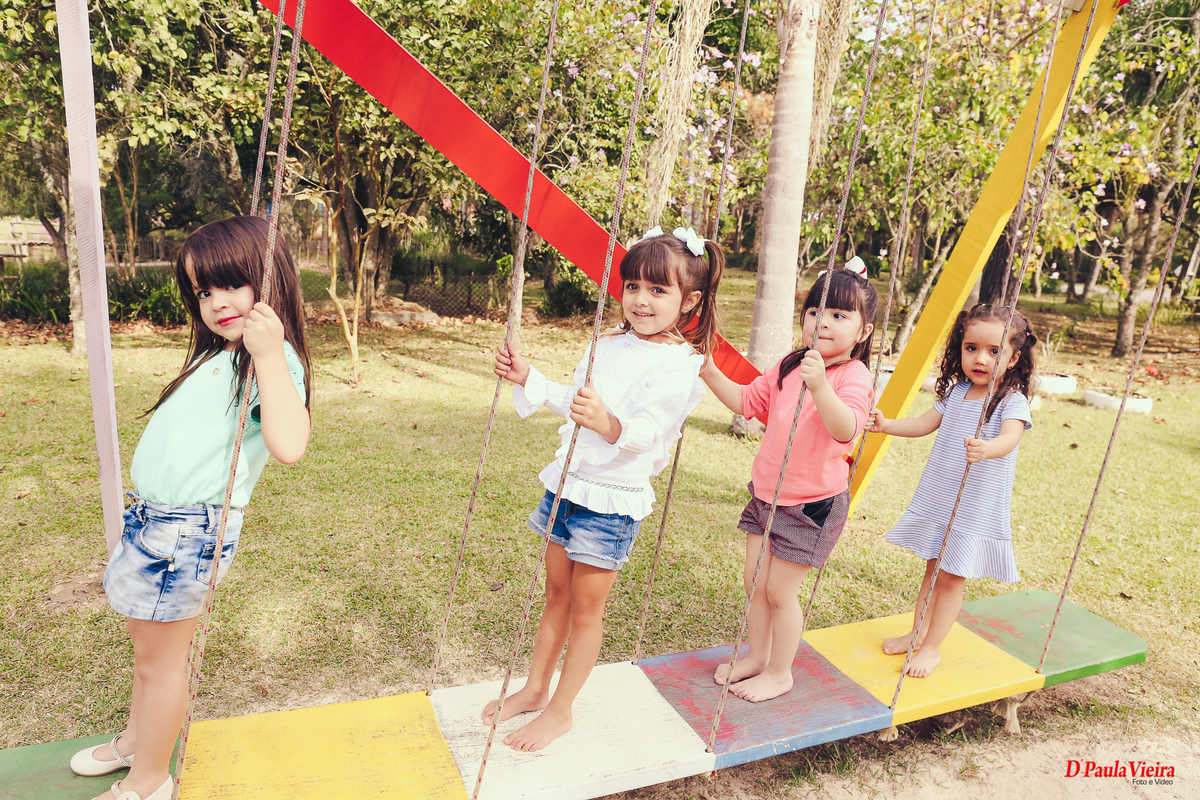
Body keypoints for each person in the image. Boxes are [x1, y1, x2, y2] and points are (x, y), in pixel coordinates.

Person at [70, 216, 312, 800]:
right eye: (204, 291)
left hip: (187, 532)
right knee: (147, 654)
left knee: (162, 664)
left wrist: (271, 353)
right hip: (154, 523)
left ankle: (150, 779)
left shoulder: (267, 362)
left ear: (269, 281)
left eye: (230, 284)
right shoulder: (220, 355)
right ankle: (136, 741)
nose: (216, 302)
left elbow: (290, 446)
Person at [482, 226, 724, 750]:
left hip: (610, 505)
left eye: (658, 291)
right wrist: (530, 378)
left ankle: (561, 712)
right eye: (633, 285)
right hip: (567, 487)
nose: (641, 299)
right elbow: (577, 397)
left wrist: (609, 424)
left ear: (690, 301)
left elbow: (649, 433)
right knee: (556, 596)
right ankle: (534, 688)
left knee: (587, 611)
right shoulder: (607, 342)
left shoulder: (681, 365)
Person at [700, 259, 878, 702]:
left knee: (781, 592)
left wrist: (822, 388)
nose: (824, 322)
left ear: (864, 332)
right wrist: (707, 371)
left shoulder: (853, 376)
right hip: (767, 494)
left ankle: (781, 672)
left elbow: (846, 430)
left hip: (811, 504)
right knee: (754, 582)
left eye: (839, 315)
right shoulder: (788, 365)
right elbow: (745, 402)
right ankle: (758, 658)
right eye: (816, 312)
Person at [867, 304, 1036, 677]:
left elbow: (1009, 437)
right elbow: (923, 423)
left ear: (1014, 358)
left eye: (994, 351)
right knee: (932, 569)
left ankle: (932, 648)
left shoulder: (1012, 401)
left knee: (950, 576)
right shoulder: (958, 392)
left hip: (974, 505)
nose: (980, 358)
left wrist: (987, 449)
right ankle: (917, 633)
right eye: (971, 347)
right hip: (943, 498)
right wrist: (886, 425)